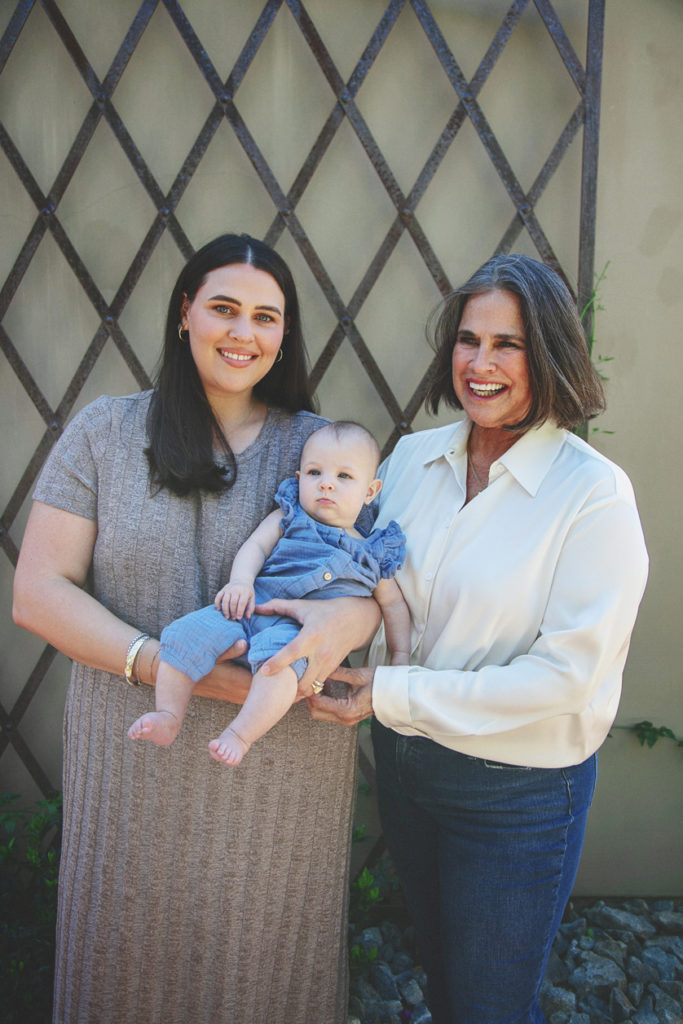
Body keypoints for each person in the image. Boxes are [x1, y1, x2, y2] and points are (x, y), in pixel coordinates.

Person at [12, 233, 381, 1024]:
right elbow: (38, 592)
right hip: (134, 763)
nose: (242, 333)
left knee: (264, 975)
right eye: (222, 308)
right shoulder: (105, 433)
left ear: (285, 335)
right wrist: (160, 664)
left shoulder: (320, 449)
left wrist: (351, 615)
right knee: (125, 976)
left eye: (265, 316)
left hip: (282, 775)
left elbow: (378, 577)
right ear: (184, 314)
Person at [292, 253, 649, 1024]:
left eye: (508, 345)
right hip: (407, 767)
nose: (480, 364)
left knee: (490, 1005)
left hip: (515, 792)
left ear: (548, 351)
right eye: (467, 339)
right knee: (445, 984)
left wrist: (389, 691)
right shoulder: (413, 460)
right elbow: (363, 577)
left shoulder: (590, 495)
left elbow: (566, 678)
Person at [128, 420, 409, 765]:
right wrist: (241, 583)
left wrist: (400, 657)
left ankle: (240, 733)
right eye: (314, 472)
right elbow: (256, 547)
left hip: (298, 637)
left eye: (344, 477)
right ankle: (168, 715)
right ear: (298, 477)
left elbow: (393, 605)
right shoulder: (289, 517)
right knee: (184, 636)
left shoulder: (372, 552)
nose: (326, 485)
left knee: (281, 672)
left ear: (370, 491)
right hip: (250, 607)